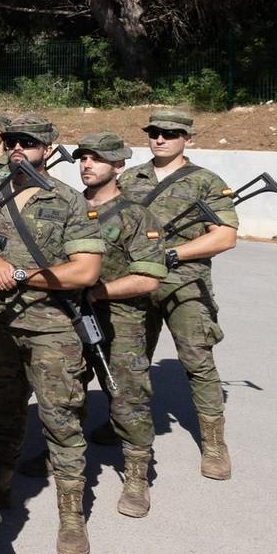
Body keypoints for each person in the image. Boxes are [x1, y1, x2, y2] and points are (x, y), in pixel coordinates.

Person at [0, 113, 105, 554]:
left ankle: (71, 516)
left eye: (28, 142)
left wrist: (18, 274)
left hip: (52, 327)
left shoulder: (68, 201)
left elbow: (85, 270)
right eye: (12, 140)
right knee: (3, 411)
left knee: (62, 421)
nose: (18, 148)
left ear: (48, 149)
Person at [117, 108, 241, 480]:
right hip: (136, 281)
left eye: (170, 133)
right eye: (155, 131)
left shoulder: (205, 181)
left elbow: (224, 235)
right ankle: (123, 425)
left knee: (197, 360)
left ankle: (214, 443)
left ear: (186, 137)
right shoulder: (130, 178)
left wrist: (173, 252)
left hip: (185, 282)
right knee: (128, 361)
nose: (160, 139)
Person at [72, 131, 166, 517]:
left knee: (127, 397)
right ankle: (67, 459)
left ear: (118, 165)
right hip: (68, 316)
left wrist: (96, 292)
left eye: (96, 158)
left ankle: (136, 474)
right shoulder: (67, 208)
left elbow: (147, 278)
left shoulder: (136, 215)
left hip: (120, 320)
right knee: (67, 393)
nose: (87, 165)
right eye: (83, 158)